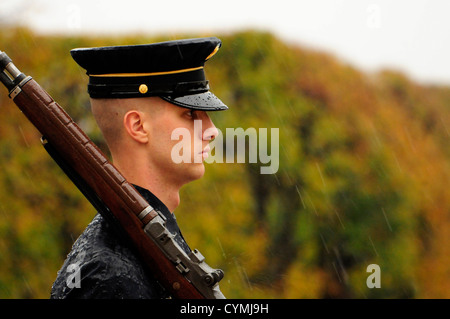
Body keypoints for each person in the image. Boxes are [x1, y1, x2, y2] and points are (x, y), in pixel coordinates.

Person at [50, 37, 228, 298]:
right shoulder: (111, 276)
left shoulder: (140, 248)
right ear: (138, 127)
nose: (212, 130)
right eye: (190, 114)